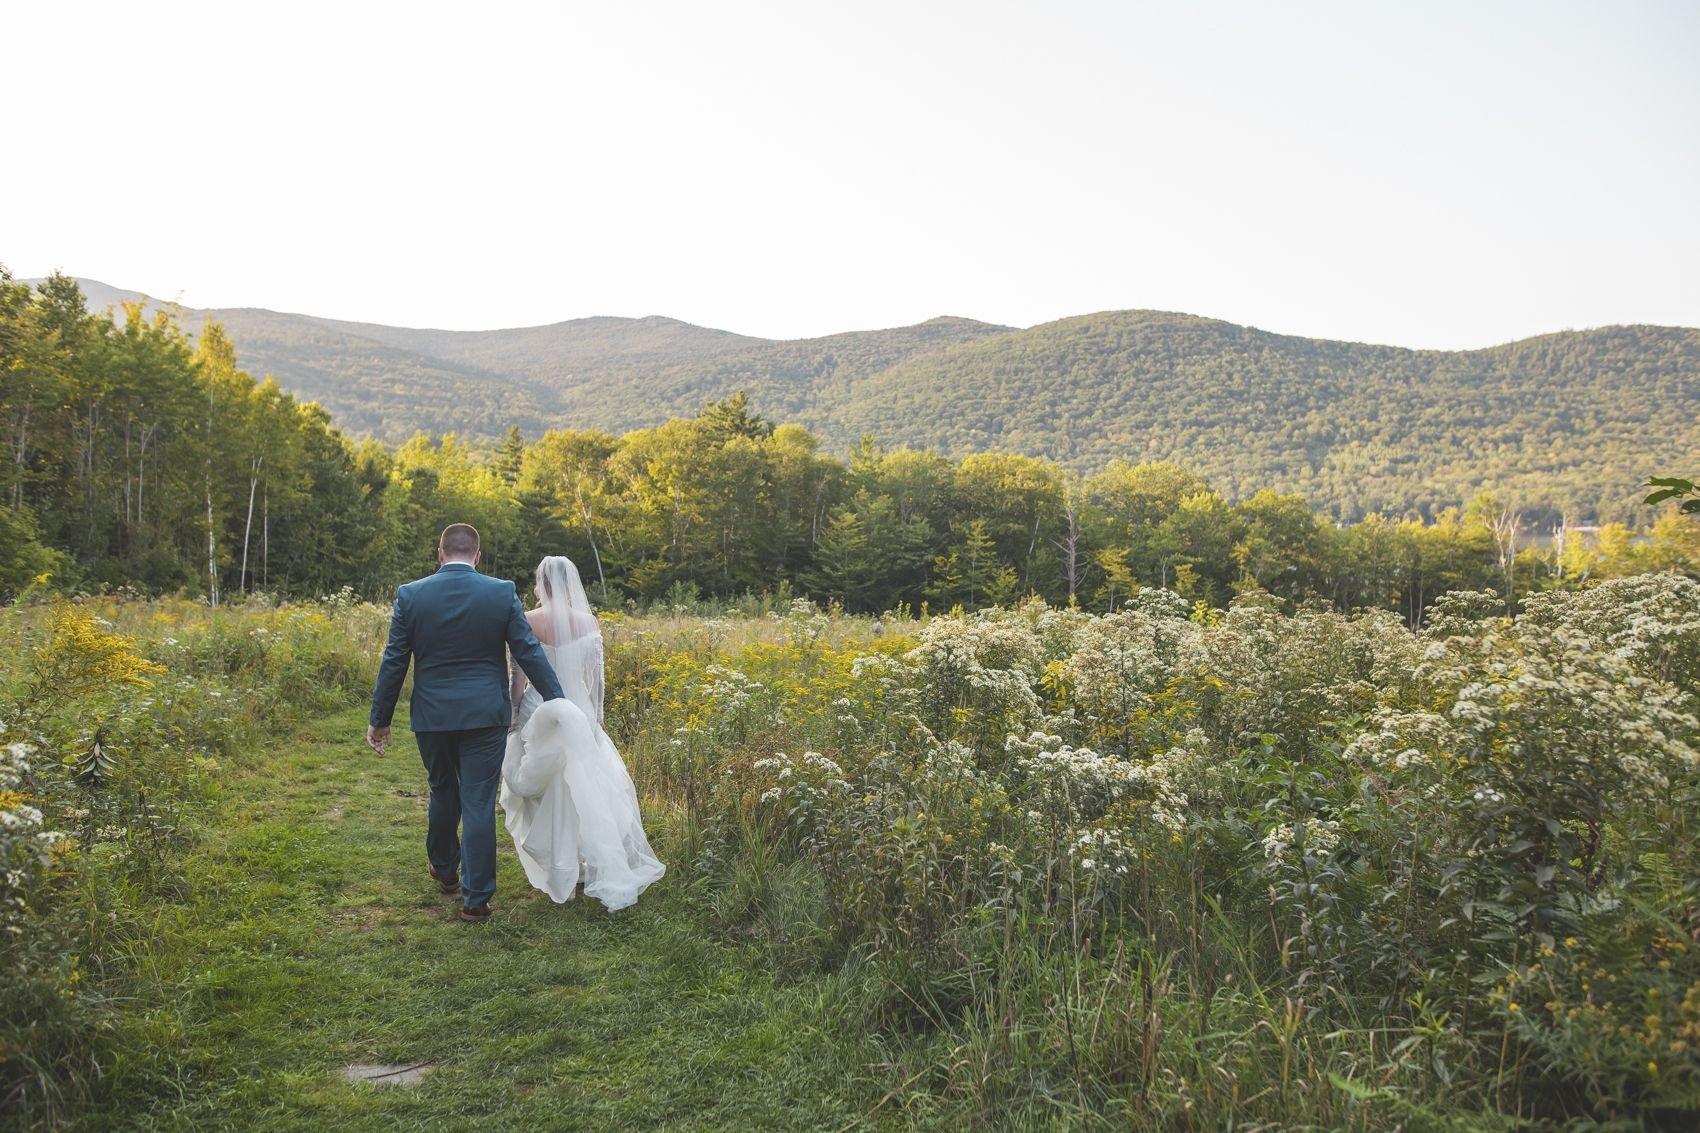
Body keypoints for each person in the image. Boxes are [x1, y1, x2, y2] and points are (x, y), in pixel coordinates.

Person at [368, 523, 565, 923]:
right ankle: (477, 899)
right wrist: (560, 703)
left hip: (432, 715)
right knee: (477, 799)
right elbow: (528, 652)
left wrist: (380, 719)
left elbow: (394, 661)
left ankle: (444, 870)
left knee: (442, 789)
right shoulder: (500, 592)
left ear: (440, 555)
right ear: (478, 556)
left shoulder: (411, 595)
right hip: (484, 714)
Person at [500, 555, 665, 911]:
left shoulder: (527, 620)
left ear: (541, 584)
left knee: (545, 786)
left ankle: (557, 861)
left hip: (538, 710)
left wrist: (513, 716)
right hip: (579, 710)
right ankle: (578, 859)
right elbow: (597, 680)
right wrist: (597, 718)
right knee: (585, 783)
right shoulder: (588, 621)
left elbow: (518, 679)